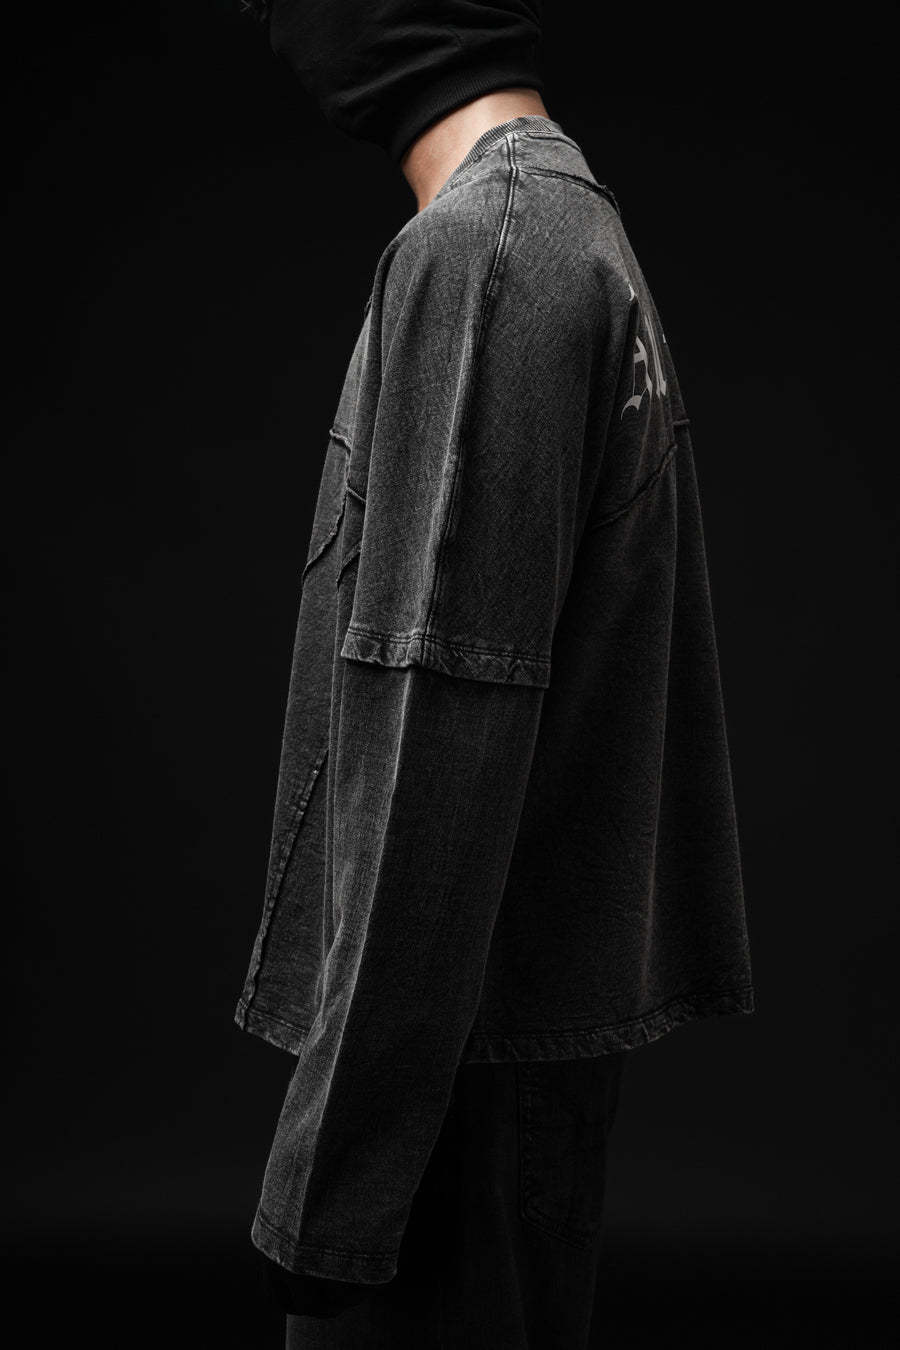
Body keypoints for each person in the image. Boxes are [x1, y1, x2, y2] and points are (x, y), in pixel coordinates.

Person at [233, 3, 756, 1344]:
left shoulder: (491, 250)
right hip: (485, 1074)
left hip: (447, 1103)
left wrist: (335, 1191)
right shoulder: (552, 224)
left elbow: (443, 725)